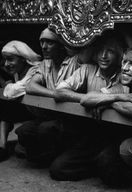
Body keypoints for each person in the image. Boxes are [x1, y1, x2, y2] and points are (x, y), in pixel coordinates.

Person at [79, 48, 132, 186]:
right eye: (124, 63)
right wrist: (118, 97)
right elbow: (86, 99)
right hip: (124, 142)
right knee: (104, 161)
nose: (124, 68)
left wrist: (110, 102)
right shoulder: (122, 89)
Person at [49, 32, 126, 181]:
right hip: (91, 134)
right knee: (57, 169)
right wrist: (87, 99)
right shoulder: (87, 69)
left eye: (110, 51)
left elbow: (123, 94)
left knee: (109, 171)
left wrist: (104, 100)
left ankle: (101, 166)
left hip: (115, 134)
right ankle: (95, 167)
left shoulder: (124, 74)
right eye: (101, 50)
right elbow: (58, 92)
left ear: (119, 55)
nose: (103, 55)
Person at [15, 27, 83, 165]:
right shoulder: (46, 63)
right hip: (53, 114)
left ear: (61, 45)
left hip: (73, 119)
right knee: (23, 131)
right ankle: (47, 155)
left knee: (45, 129)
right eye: (42, 42)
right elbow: (30, 86)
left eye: (50, 42)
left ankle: (58, 155)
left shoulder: (75, 61)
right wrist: (57, 94)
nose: (44, 47)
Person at [0, 40, 41, 161]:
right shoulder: (18, 72)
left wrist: (8, 85)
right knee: (4, 106)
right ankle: (2, 146)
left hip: (44, 114)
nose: (6, 64)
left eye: (10, 59)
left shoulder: (35, 70)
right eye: (5, 60)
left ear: (23, 59)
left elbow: (11, 92)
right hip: (30, 109)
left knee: (22, 151)